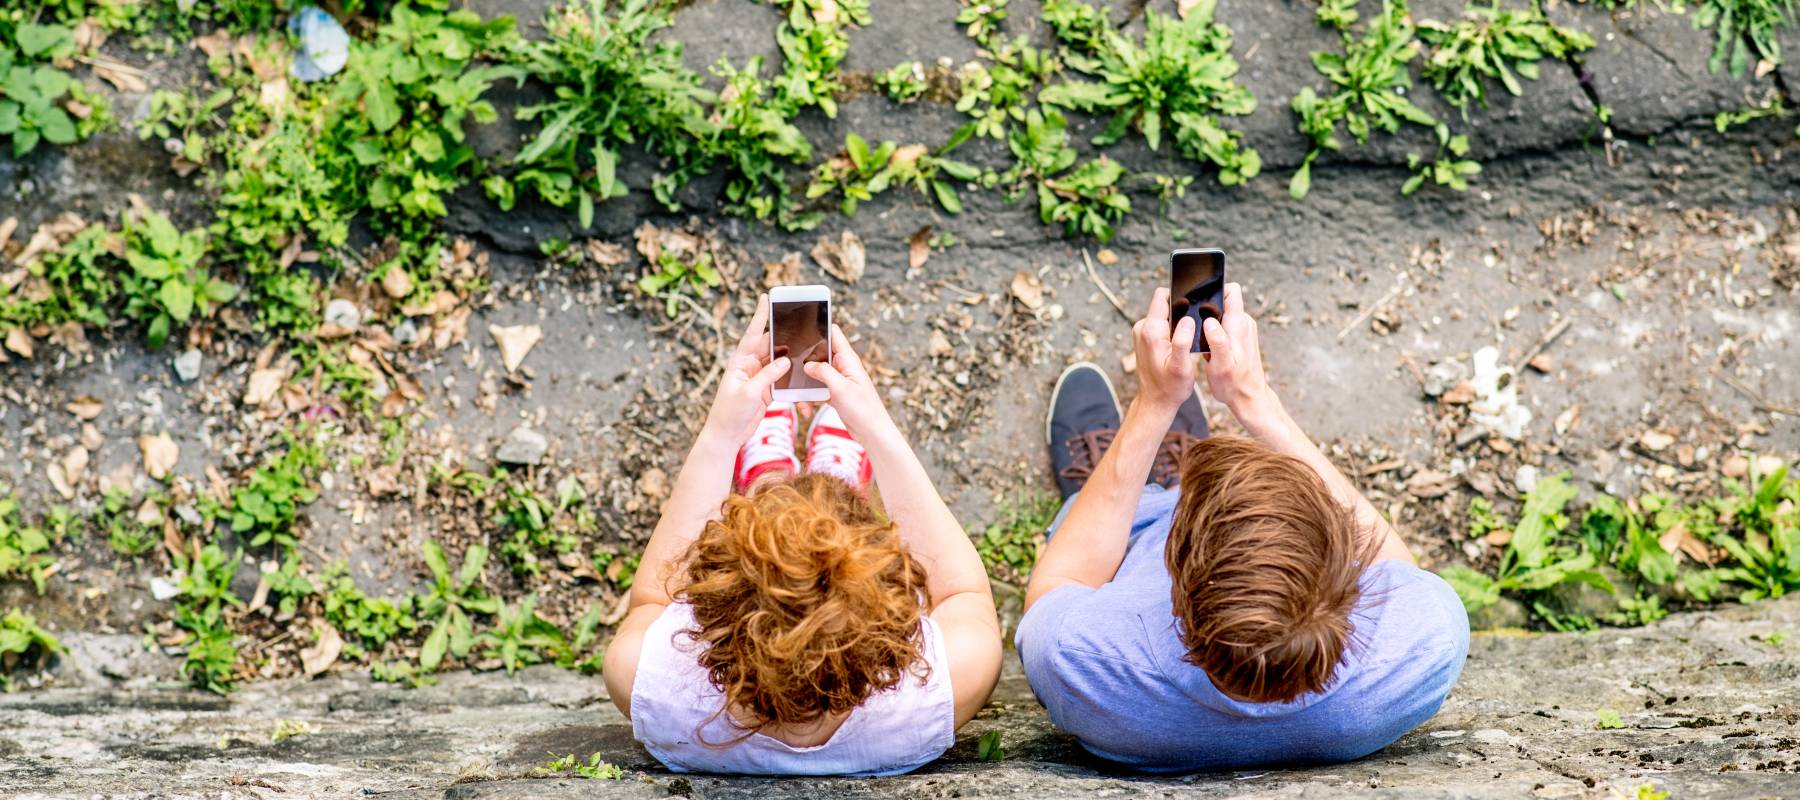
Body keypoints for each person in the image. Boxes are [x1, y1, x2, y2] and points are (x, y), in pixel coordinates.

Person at [1016, 283, 1470, 772]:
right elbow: (1390, 566)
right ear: (1343, 572)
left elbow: (1062, 583)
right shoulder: (1425, 647)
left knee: (1101, 520)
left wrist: (1152, 406)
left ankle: (1126, 479)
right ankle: (1170, 464)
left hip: (1124, 552)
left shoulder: (1084, 664)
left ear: (1174, 580)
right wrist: (1255, 402)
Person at [603, 295, 1002, 776]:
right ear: (894, 601)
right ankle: (836, 471)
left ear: (708, 602)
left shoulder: (647, 683)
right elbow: (964, 592)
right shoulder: (938, 689)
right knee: (817, 522)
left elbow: (652, 600)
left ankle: (768, 477)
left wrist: (721, 435)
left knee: (787, 520)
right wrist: (873, 425)